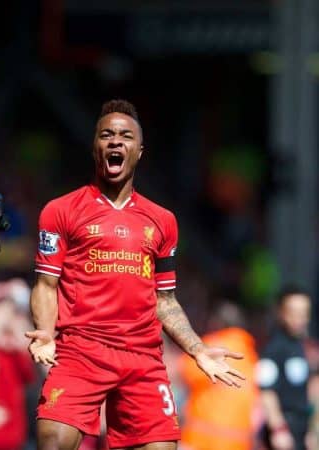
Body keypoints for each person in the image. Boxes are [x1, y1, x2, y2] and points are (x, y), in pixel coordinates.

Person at [25, 99, 246, 450]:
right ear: (95, 146)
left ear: (139, 151)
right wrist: (47, 335)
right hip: (81, 350)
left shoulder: (163, 221)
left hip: (142, 358)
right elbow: (46, 284)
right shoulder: (60, 211)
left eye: (125, 136)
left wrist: (197, 348)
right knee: (52, 440)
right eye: (106, 135)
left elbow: (166, 300)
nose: (115, 141)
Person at [178, 299, 260, 450]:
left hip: (202, 440)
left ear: (216, 323)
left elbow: (185, 371)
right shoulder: (250, 355)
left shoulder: (210, 346)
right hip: (239, 443)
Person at [256, 286, 312, 450]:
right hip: (283, 430)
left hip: (300, 429)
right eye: (294, 312)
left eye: (304, 313)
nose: (300, 318)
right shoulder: (274, 348)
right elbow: (266, 391)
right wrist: (279, 429)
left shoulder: (299, 345)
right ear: (281, 313)